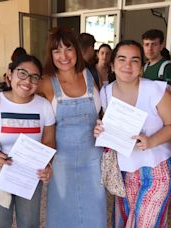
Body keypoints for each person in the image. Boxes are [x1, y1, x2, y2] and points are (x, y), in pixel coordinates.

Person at [94, 40, 171, 227]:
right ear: (113, 64)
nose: (127, 65)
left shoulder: (155, 90)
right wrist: (100, 129)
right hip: (124, 171)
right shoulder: (105, 93)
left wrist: (151, 141)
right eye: (122, 59)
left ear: (141, 66)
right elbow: (107, 127)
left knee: (146, 223)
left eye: (134, 60)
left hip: (157, 170)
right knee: (125, 222)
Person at [38, 27, 107, 228]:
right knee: (62, 214)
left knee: (94, 213)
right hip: (61, 163)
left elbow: (103, 113)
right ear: (51, 55)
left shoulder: (89, 75)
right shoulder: (45, 82)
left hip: (93, 160)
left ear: (76, 50)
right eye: (57, 51)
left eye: (68, 49)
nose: (63, 56)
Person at [0, 54, 55, 228]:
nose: (27, 81)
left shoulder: (44, 106)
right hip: (0, 174)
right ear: (9, 74)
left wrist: (47, 165)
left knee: (29, 224)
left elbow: (49, 142)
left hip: (30, 176)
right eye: (22, 73)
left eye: (34, 77)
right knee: (0, 223)